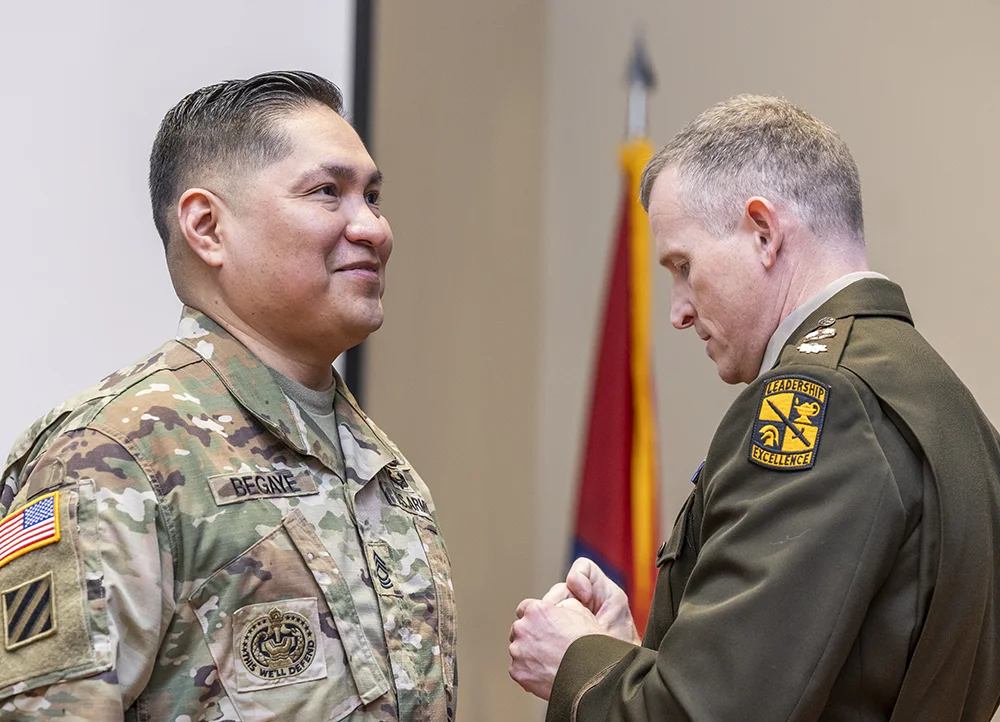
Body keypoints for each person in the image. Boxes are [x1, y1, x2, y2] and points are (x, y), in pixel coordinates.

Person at [509, 95, 1000, 721]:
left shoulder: (822, 403)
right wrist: (631, 660)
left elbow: (713, 713)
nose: (678, 311)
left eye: (683, 265)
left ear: (763, 232)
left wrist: (576, 665)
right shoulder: (947, 406)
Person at [0, 70, 456, 721]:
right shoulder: (114, 456)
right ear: (208, 226)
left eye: (374, 197)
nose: (374, 229)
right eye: (328, 192)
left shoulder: (379, 464)